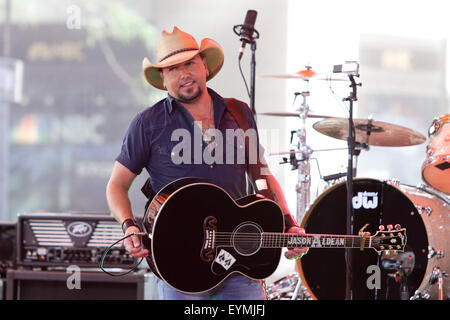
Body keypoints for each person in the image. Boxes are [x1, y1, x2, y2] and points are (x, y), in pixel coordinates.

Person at [106, 26, 308, 300]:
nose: (184, 74)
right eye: (173, 69)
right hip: (179, 266)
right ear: (163, 78)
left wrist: (288, 222)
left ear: (204, 66)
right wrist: (129, 225)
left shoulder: (239, 112)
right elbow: (117, 185)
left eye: (190, 63)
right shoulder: (147, 123)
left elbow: (261, 174)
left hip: (239, 263)